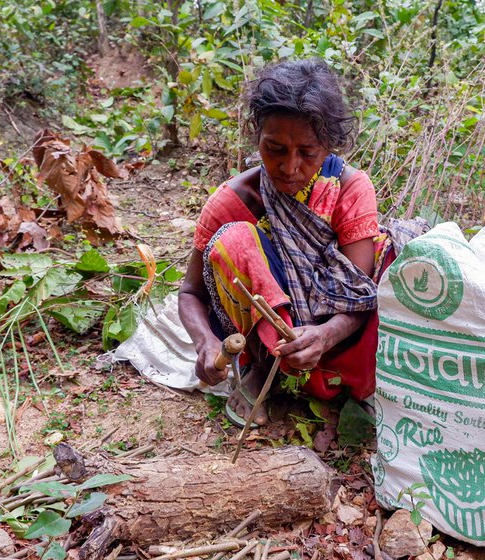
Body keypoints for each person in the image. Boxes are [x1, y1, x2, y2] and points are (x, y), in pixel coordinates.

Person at [179, 59, 419, 427]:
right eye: (275, 149)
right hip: (268, 343)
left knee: (391, 259)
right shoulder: (232, 200)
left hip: (336, 338)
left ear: (329, 147)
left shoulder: (348, 190)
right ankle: (264, 371)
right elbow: (190, 293)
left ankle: (337, 379)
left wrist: (325, 334)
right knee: (234, 241)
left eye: (307, 153)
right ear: (256, 136)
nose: (290, 167)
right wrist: (205, 343)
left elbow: (358, 295)